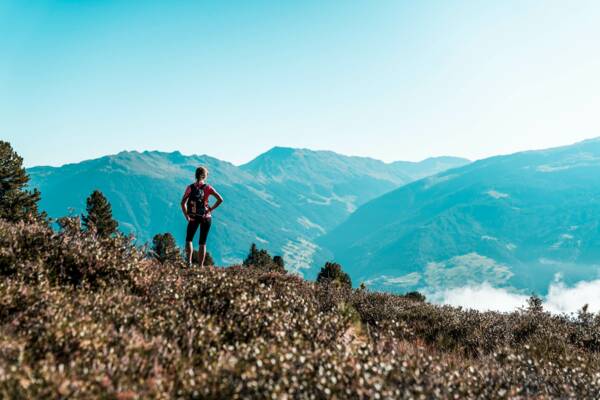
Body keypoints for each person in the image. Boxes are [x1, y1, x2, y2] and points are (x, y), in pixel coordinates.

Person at [181, 166, 223, 267]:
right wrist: (210, 209)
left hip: (193, 216)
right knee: (202, 242)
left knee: (189, 239)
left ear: (195, 175)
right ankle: (200, 266)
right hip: (206, 217)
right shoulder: (208, 188)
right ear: (205, 176)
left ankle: (189, 262)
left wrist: (187, 215)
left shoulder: (190, 188)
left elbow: (183, 203)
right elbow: (220, 199)